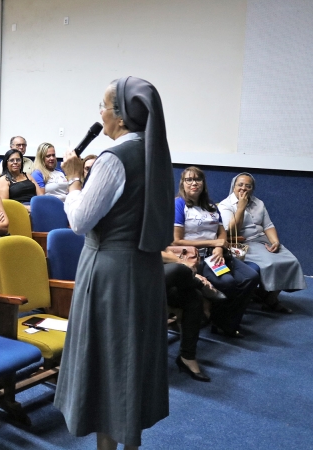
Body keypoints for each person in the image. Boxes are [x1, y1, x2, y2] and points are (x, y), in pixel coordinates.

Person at [54, 77, 175, 449]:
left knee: (108, 364)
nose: (100, 114)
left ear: (120, 117)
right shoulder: (153, 152)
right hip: (143, 270)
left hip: (109, 272)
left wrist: (74, 181)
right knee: (130, 361)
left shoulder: (113, 158)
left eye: (103, 106)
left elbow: (79, 222)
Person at [173, 166, 259, 338]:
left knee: (251, 275)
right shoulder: (179, 204)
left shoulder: (211, 205)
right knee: (228, 282)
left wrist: (219, 247)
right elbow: (177, 240)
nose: (194, 183)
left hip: (217, 254)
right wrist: (214, 243)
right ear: (183, 183)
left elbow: (222, 233)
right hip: (197, 256)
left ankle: (223, 320)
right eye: (189, 179)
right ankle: (223, 323)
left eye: (198, 179)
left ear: (203, 183)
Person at [219, 172, 306, 313]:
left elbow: (268, 226)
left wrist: (275, 242)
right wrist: (241, 207)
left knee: (291, 260)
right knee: (271, 263)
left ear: (252, 188)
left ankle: (270, 298)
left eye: (248, 186)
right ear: (233, 187)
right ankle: (269, 299)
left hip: (262, 241)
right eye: (240, 185)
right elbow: (231, 231)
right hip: (243, 244)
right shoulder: (226, 205)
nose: (243, 188)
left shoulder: (259, 203)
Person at [162, 251, 222, 383]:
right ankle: (202, 285)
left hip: (154, 275)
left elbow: (160, 248)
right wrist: (182, 262)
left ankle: (187, 356)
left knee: (193, 297)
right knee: (180, 269)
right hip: (127, 275)